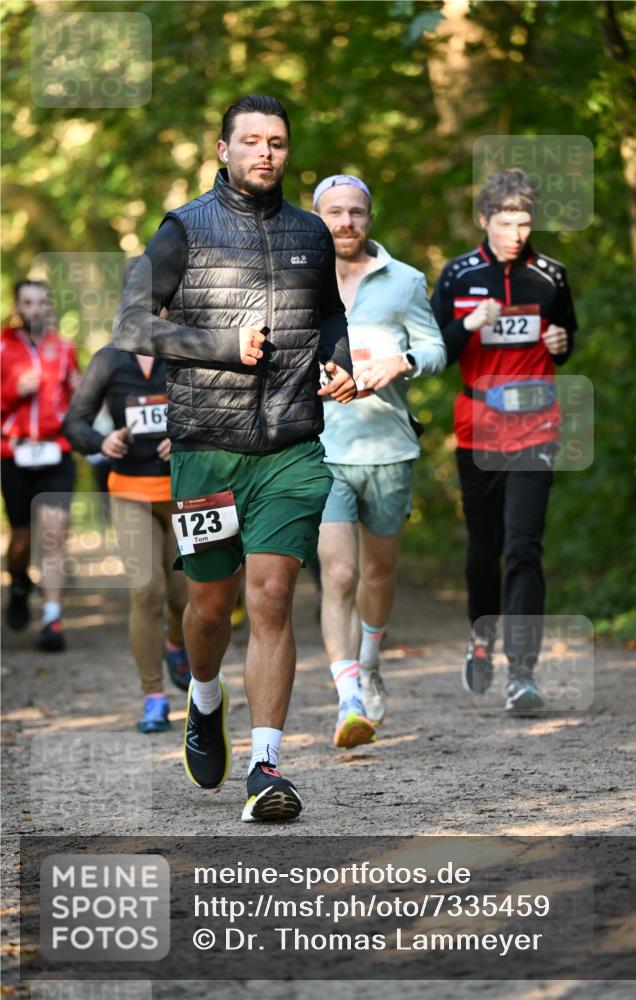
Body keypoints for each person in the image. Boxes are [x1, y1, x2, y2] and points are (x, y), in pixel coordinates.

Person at [112, 94, 355, 821]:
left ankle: (267, 766)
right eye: (250, 141)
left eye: (276, 142)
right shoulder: (182, 229)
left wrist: (336, 362)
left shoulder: (312, 233)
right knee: (209, 610)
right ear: (222, 149)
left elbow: (330, 316)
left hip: (289, 448)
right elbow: (131, 324)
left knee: (272, 597)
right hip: (205, 456)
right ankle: (204, 695)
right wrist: (221, 347)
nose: (265, 154)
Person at [431, 168, 577, 714]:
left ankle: (522, 673)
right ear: (484, 220)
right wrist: (469, 326)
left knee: (523, 547)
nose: (516, 233)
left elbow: (565, 336)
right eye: (505, 222)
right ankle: (481, 635)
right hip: (478, 428)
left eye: (525, 222)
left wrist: (562, 344)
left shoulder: (551, 275)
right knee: (484, 551)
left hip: (537, 428)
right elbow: (437, 353)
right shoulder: (458, 276)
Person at [313, 175, 445, 747]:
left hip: (389, 448)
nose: (345, 223)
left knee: (378, 575)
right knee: (337, 575)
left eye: (356, 213)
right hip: (320, 449)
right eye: (334, 213)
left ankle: (369, 661)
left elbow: (438, 349)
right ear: (317, 218)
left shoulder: (405, 281)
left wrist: (402, 363)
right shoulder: (296, 278)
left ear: (370, 218)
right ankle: (348, 700)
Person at [64, 331, 191, 734]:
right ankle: (154, 697)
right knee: (145, 590)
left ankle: (176, 643)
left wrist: (186, 435)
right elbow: (74, 423)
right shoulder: (109, 360)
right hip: (130, 492)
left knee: (183, 596)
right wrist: (103, 440)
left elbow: (216, 410)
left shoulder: (188, 352)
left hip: (184, 494)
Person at [1, 280, 80, 651]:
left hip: (55, 454)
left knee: (53, 533)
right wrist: (13, 392)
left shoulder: (64, 349)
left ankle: (52, 619)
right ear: (17, 307)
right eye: (27, 303)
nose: (35, 309)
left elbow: (76, 398)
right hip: (14, 454)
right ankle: (18, 582)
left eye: (42, 302)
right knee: (21, 542)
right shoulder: (3, 346)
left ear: (50, 307)